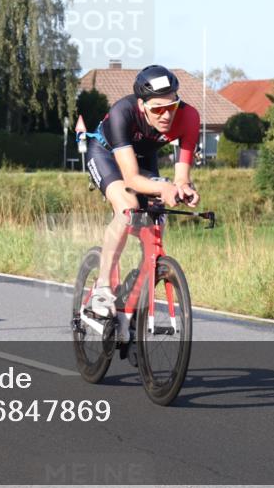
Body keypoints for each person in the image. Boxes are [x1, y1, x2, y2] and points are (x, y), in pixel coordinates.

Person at [84, 65, 200, 325]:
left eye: (171, 106)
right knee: (128, 208)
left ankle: (137, 291)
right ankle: (102, 288)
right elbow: (132, 179)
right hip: (107, 155)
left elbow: (181, 176)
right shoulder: (121, 113)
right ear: (141, 105)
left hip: (144, 157)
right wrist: (163, 187)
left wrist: (183, 187)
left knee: (157, 217)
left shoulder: (190, 117)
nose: (166, 115)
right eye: (157, 108)